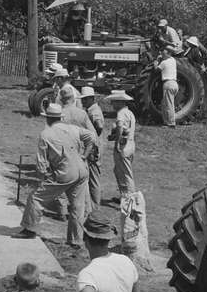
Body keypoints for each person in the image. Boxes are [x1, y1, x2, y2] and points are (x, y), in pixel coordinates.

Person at [14, 103, 96, 246]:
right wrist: (85, 155)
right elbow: (91, 136)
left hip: (65, 172)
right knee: (77, 207)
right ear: (60, 117)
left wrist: (42, 180)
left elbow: (41, 164)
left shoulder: (46, 134)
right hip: (82, 170)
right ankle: (76, 240)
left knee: (36, 198)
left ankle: (29, 229)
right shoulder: (73, 129)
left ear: (48, 119)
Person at [62, 85, 101, 209]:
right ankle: (85, 211)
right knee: (82, 184)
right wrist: (87, 152)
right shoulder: (82, 114)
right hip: (81, 152)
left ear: (62, 100)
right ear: (74, 99)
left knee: (62, 180)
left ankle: (63, 209)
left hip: (65, 152)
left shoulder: (59, 114)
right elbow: (93, 135)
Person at [108, 91, 136, 196]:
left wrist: (117, 143)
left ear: (120, 102)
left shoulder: (121, 113)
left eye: (113, 102)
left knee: (126, 174)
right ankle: (124, 195)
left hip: (123, 146)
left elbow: (120, 127)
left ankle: (130, 199)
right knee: (118, 171)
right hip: (130, 144)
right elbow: (126, 130)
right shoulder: (130, 113)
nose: (112, 104)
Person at [157, 46, 179, 128]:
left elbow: (156, 69)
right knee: (165, 104)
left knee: (169, 104)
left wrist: (156, 61)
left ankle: (171, 124)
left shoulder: (164, 63)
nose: (162, 53)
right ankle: (166, 122)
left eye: (163, 51)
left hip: (168, 83)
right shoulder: (173, 60)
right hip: (175, 84)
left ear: (168, 53)